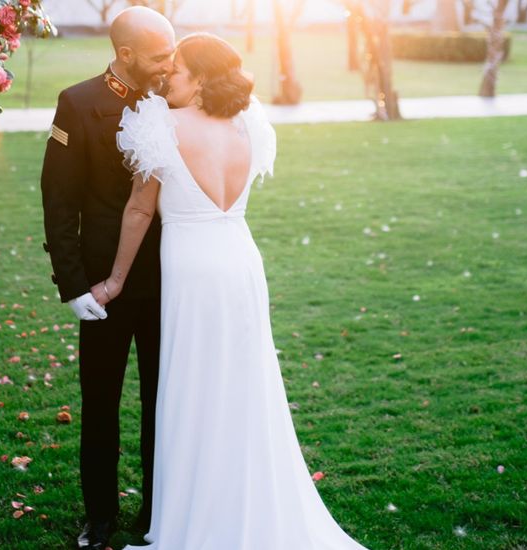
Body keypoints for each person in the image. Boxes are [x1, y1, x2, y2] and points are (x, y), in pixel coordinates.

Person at [93, 33, 370, 549]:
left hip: (194, 268)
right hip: (241, 260)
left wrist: (114, 280)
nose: (165, 78)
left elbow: (138, 210)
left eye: (175, 71)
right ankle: (244, 495)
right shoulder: (248, 123)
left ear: (198, 80)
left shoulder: (162, 123)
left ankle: (199, 511)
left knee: (195, 384)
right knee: (243, 385)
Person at [39, 7, 175, 550]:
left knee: (163, 406)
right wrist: (72, 287)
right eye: (161, 54)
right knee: (100, 406)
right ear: (125, 54)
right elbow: (58, 202)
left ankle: (156, 515)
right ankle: (100, 520)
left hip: (170, 283)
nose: (171, 62)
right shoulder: (77, 104)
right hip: (103, 288)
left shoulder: (177, 96)